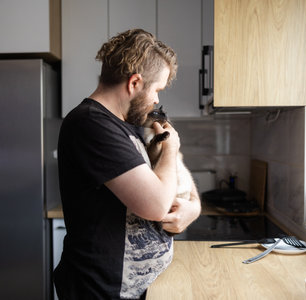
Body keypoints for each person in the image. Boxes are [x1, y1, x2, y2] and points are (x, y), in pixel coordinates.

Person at [53, 28, 201, 300]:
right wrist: (171, 146)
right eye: (157, 89)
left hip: (136, 289)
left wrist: (193, 207)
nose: (157, 100)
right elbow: (156, 204)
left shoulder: (126, 125)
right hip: (100, 292)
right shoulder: (91, 125)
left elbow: (172, 177)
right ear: (134, 83)